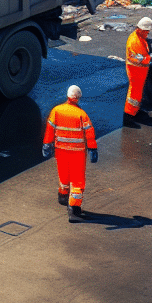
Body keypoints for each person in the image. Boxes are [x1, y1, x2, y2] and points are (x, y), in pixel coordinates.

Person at [42, 84, 98, 221]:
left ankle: (63, 196)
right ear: (78, 98)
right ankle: (74, 210)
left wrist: (46, 144)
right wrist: (93, 149)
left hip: (60, 151)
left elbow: (50, 129)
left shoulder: (57, 110)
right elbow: (89, 133)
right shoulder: (81, 114)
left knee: (64, 175)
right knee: (77, 181)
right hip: (77, 153)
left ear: (67, 96)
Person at [123, 17, 152, 128]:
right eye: (146, 31)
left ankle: (134, 111)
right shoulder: (135, 41)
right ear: (140, 29)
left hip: (140, 69)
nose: (148, 33)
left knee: (137, 92)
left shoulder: (140, 37)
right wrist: (150, 58)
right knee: (134, 93)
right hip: (135, 69)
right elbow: (139, 58)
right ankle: (127, 115)